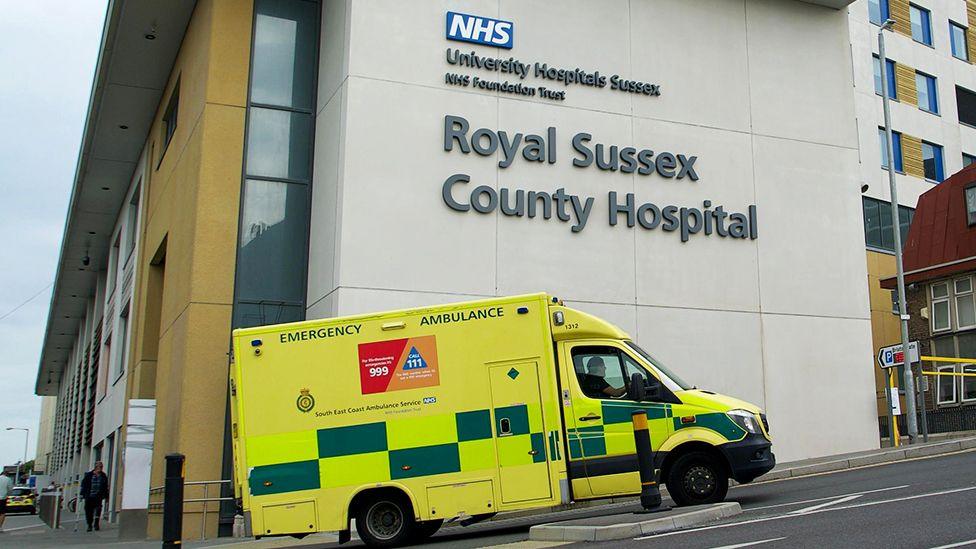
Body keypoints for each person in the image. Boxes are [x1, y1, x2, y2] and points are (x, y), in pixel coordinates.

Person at [80, 462, 109, 532]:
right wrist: (82, 494)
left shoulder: (103, 475)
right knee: (89, 511)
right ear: (95, 467)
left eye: (101, 467)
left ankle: (96, 524)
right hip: (89, 496)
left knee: (98, 510)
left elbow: (105, 486)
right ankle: (89, 524)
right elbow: (83, 484)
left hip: (98, 496)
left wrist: (106, 496)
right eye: (99, 467)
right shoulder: (89, 475)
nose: (100, 468)